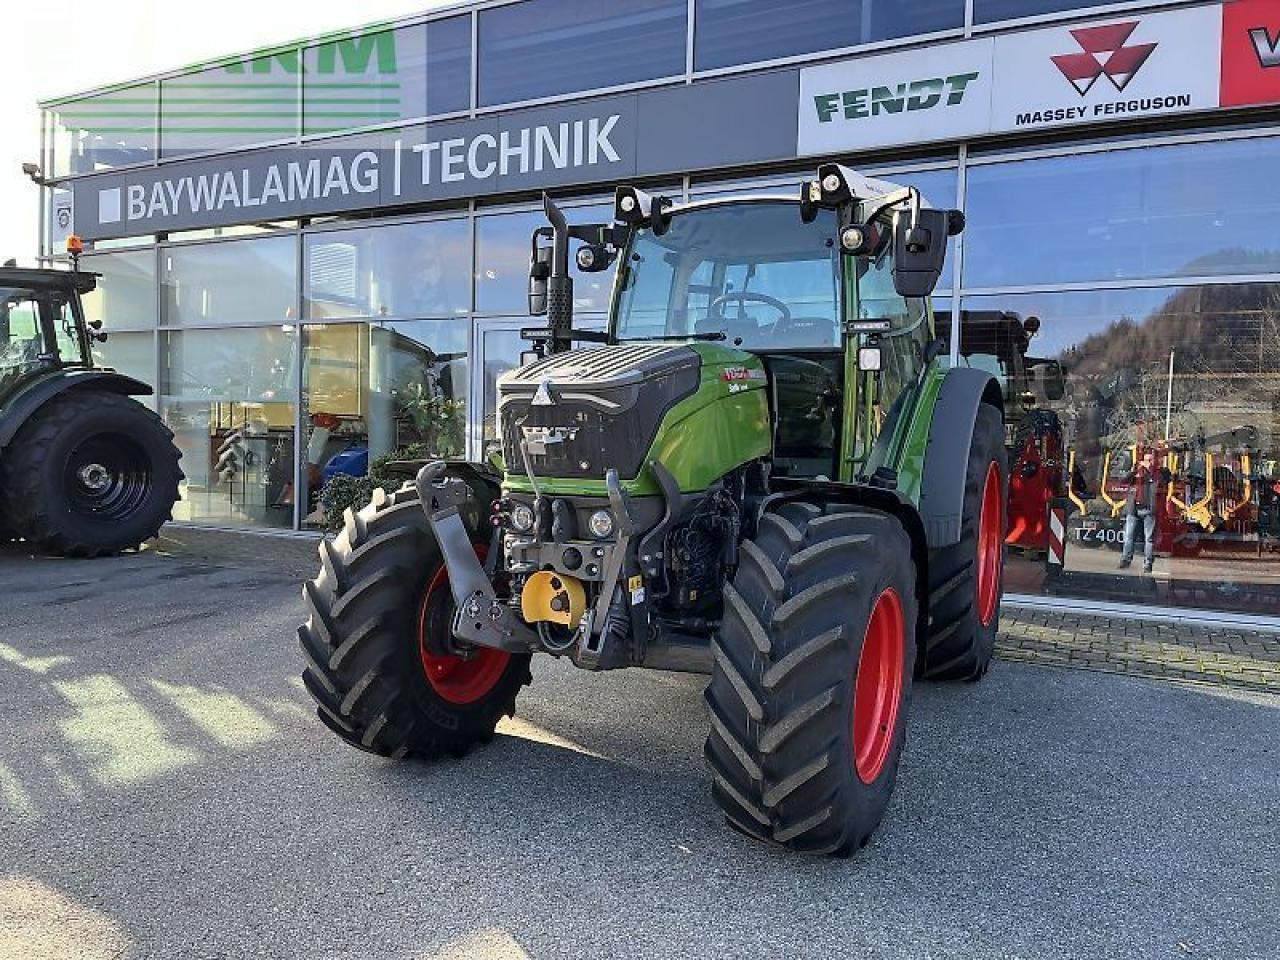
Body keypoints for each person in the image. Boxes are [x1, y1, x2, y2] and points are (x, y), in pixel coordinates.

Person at [1119, 446, 1171, 574]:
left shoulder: (1159, 473)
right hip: (1134, 508)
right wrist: (1134, 470)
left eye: (1150, 460)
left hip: (1149, 509)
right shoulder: (1138, 472)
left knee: (1149, 539)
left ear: (1155, 461)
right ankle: (1125, 560)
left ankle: (1148, 563)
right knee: (1128, 536)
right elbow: (1124, 480)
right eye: (1146, 460)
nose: (1148, 462)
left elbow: (1168, 479)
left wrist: (1153, 470)